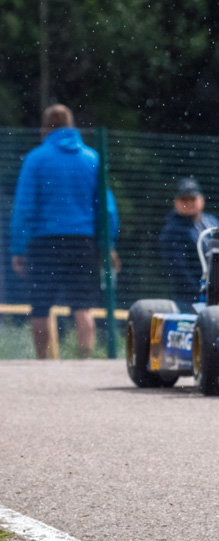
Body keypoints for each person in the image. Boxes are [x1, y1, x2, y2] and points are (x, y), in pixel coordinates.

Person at [8, 104, 118, 359]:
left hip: (43, 242)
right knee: (83, 307)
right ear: (72, 126)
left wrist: (18, 248)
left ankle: (42, 361)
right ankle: (84, 361)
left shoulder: (36, 159)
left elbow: (24, 207)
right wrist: (107, 245)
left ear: (44, 129)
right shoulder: (92, 159)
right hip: (83, 241)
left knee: (40, 307)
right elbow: (107, 209)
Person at [157, 177, 219, 306]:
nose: (188, 203)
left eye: (192, 199)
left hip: (217, 293)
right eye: (184, 200)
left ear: (201, 200)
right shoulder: (172, 230)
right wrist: (199, 293)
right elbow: (178, 270)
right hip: (189, 299)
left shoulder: (212, 223)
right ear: (176, 202)